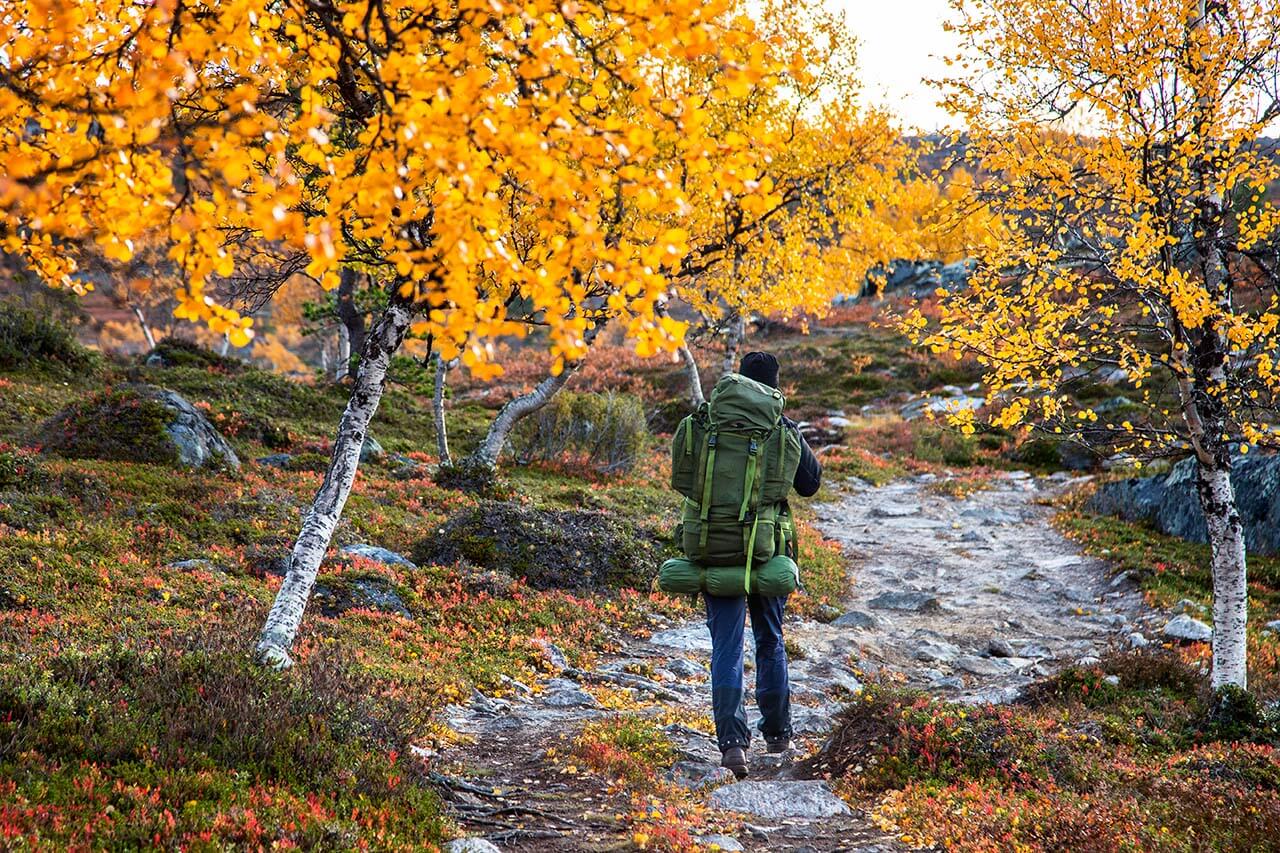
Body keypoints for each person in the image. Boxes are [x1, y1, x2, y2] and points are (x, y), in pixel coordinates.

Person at [706, 351, 821, 779]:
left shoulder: (709, 421)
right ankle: (778, 734)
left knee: (727, 646)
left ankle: (732, 746)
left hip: (715, 546)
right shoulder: (782, 426)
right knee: (770, 640)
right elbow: (810, 484)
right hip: (769, 550)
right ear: (775, 386)